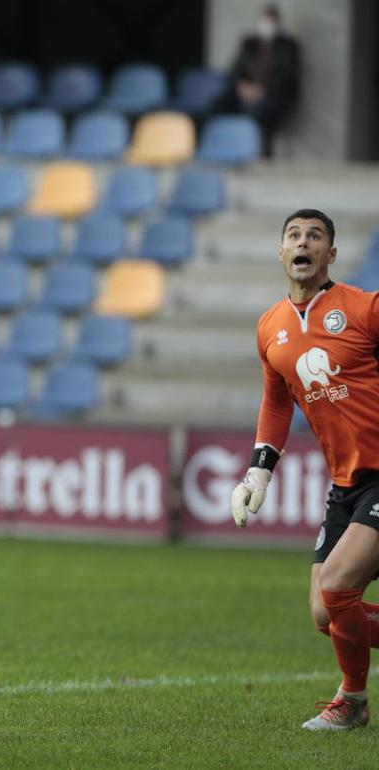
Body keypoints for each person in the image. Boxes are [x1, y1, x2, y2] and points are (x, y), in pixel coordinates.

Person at [229, 209, 379, 731]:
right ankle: (353, 700)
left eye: (315, 236)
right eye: (294, 235)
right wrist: (258, 473)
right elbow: (276, 403)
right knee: (324, 612)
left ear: (330, 254)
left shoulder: (364, 309)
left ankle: (352, 702)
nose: (303, 242)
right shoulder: (270, 327)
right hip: (345, 484)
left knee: (338, 589)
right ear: (281, 252)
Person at [214, 3, 300, 157]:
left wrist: (262, 91)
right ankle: (216, 144)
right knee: (218, 104)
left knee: (257, 109)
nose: (266, 25)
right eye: (264, 20)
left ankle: (257, 152)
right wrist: (241, 87)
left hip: (273, 95)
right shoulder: (249, 43)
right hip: (245, 91)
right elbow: (234, 71)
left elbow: (288, 77)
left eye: (270, 21)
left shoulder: (288, 46)